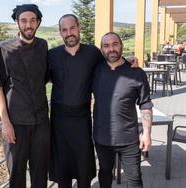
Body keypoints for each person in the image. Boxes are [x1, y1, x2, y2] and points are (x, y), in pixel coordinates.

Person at [0, 4, 50, 188]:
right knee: (16, 175)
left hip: (41, 123)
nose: (28, 25)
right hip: (15, 124)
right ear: (16, 23)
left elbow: (44, 78)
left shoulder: (43, 45)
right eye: (24, 21)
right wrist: (5, 123)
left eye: (32, 20)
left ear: (38, 22)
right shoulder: (3, 49)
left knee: (40, 174)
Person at [92, 32, 153, 188]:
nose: (111, 49)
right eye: (106, 46)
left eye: (115, 44)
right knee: (105, 174)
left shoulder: (136, 73)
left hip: (130, 139)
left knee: (134, 179)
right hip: (102, 138)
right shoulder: (95, 71)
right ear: (101, 50)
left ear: (121, 46)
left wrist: (146, 134)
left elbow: (145, 104)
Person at [48, 14, 101, 188]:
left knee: (83, 169)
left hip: (82, 119)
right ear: (60, 32)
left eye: (72, 28)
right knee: (63, 170)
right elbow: (36, 78)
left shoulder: (93, 53)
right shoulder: (52, 55)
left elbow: (111, 65)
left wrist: (128, 61)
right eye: (64, 30)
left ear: (79, 28)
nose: (69, 33)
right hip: (59, 121)